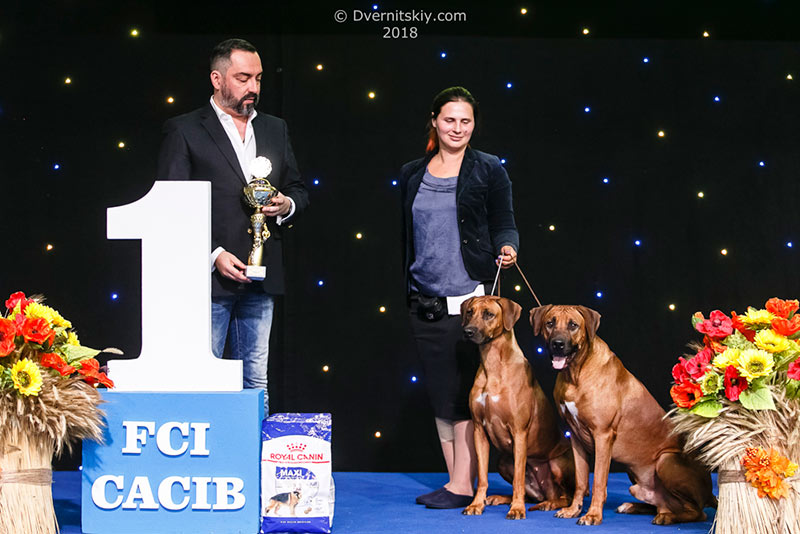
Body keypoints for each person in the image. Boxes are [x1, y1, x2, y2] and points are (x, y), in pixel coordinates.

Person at [156, 38, 309, 413]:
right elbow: (172, 206)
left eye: (258, 78)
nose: (253, 87)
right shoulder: (184, 130)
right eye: (243, 78)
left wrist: (286, 204)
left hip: (261, 278)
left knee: (255, 381)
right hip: (207, 281)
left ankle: (250, 449)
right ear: (217, 79)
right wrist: (213, 255)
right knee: (200, 379)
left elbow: (298, 189)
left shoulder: (275, 128)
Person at [399, 87, 519, 509]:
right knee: (440, 394)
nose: (457, 128)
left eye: (465, 121)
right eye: (449, 120)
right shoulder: (412, 173)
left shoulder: (488, 168)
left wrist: (507, 246)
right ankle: (456, 481)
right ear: (434, 120)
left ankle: (465, 484)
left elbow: (503, 220)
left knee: (464, 395)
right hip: (424, 300)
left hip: (470, 303)